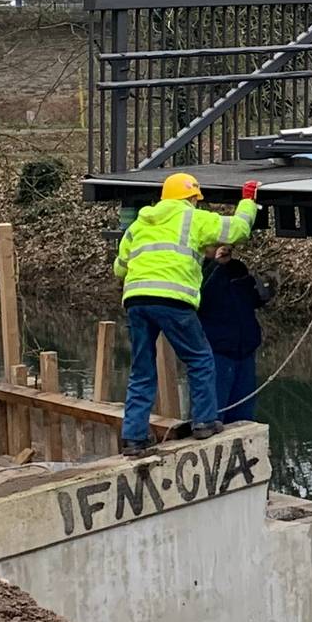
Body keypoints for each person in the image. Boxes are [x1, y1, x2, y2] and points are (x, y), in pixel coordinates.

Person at [113, 173, 258, 454]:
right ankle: (204, 422)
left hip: (136, 301)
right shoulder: (194, 218)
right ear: (192, 198)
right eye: (196, 199)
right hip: (174, 300)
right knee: (200, 359)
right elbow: (239, 229)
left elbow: (120, 268)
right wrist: (248, 200)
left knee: (142, 370)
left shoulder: (138, 224)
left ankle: (133, 438)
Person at [197, 246, 275, 425]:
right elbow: (197, 298)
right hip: (217, 352)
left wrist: (266, 288)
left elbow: (252, 299)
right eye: (214, 244)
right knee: (213, 417)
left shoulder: (238, 268)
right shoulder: (196, 269)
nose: (221, 247)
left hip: (245, 351)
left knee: (243, 417)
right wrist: (215, 265)